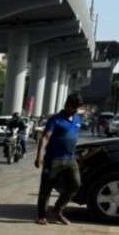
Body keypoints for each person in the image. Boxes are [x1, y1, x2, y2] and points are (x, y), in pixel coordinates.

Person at [34, 93, 85, 226]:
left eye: (77, 107)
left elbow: (73, 136)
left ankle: (57, 210)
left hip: (70, 159)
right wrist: (39, 156)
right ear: (67, 104)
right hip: (54, 159)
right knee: (46, 187)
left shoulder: (77, 119)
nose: (75, 110)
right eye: (74, 107)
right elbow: (45, 137)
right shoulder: (55, 119)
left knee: (75, 184)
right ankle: (42, 216)